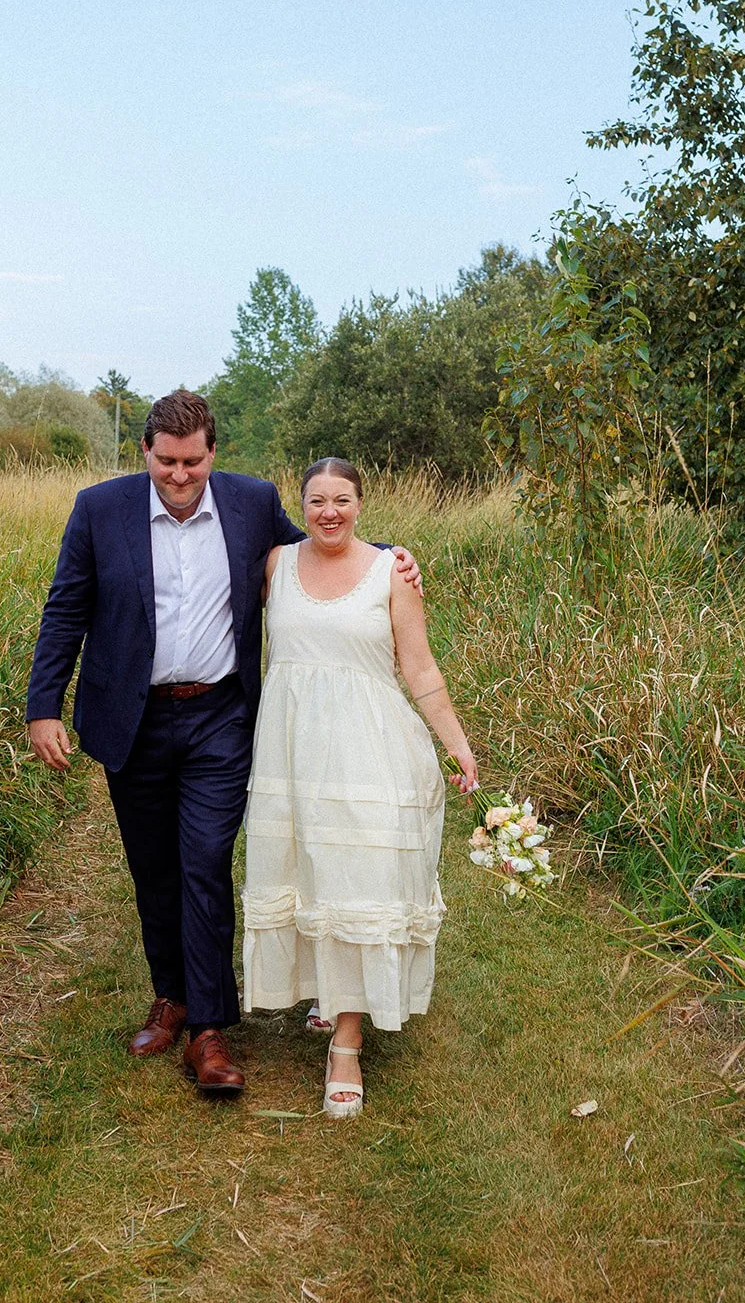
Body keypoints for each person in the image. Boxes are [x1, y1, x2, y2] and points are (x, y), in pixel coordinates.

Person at [26, 391, 421, 1098]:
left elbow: (323, 544)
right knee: (153, 868)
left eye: (193, 461)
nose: (180, 475)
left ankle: (209, 1030)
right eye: (166, 461)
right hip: (132, 719)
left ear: (213, 453)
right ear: (144, 451)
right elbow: (66, 609)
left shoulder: (248, 503)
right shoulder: (99, 509)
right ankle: (170, 997)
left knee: (204, 860)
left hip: (218, 717)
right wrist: (42, 707)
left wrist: (391, 556)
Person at [242, 456, 477, 1118]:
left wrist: (455, 742)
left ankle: (345, 1042)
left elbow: (419, 666)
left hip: (370, 747)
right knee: (309, 872)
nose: (328, 513)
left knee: (357, 878)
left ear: (360, 503)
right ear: (301, 504)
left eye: (341, 500)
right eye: (316, 500)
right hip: (292, 748)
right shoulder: (275, 566)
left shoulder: (390, 573)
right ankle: (326, 993)